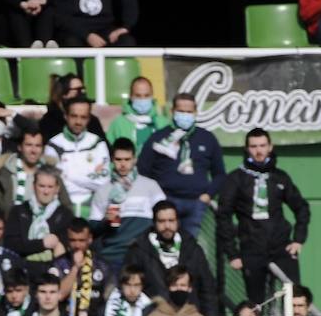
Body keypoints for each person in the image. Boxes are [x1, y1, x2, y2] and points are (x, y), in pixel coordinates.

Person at [216, 128, 310, 306]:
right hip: (251, 250)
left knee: (293, 296)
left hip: (282, 248)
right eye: (253, 146)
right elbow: (223, 217)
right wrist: (232, 253)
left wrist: (298, 239)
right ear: (246, 149)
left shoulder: (280, 177)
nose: (258, 151)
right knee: (257, 303)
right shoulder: (236, 179)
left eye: (262, 145)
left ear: (270, 147)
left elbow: (301, 207)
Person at [138, 93, 225, 238]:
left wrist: (208, 195)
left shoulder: (207, 138)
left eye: (189, 112)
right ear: (172, 112)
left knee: (190, 246)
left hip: (197, 202)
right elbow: (143, 169)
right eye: (181, 111)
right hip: (166, 202)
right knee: (164, 242)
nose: (185, 115)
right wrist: (157, 197)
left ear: (196, 113)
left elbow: (220, 173)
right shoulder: (159, 138)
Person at [122, 201, 219, 316]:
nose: (167, 226)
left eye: (171, 221)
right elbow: (129, 285)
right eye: (161, 221)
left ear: (177, 221)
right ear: (154, 223)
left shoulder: (192, 248)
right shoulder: (139, 250)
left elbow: (207, 289)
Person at [92, 137, 166, 267]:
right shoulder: (102, 191)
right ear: (112, 160)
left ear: (134, 160)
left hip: (143, 255)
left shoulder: (151, 186)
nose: (123, 164)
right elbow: (93, 227)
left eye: (127, 159)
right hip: (112, 256)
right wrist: (105, 222)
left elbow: (164, 217)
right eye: (118, 159)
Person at [45, 95, 111, 220]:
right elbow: (54, 185)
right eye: (74, 116)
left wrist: (70, 176)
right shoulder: (53, 145)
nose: (78, 122)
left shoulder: (98, 144)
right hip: (62, 209)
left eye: (83, 117)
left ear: (89, 119)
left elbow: (103, 182)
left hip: (94, 210)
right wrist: (89, 176)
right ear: (66, 116)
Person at [4, 166, 72, 283]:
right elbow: (11, 244)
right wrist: (42, 244)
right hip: (22, 273)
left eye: (50, 187)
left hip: (51, 276)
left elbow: (65, 248)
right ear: (33, 186)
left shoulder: (65, 215)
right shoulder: (19, 211)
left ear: (57, 188)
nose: (46, 191)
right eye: (42, 186)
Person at [108, 77, 170, 150]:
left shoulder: (163, 123)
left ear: (152, 96)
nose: (142, 99)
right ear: (131, 97)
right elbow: (110, 153)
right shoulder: (118, 124)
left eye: (146, 95)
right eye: (138, 96)